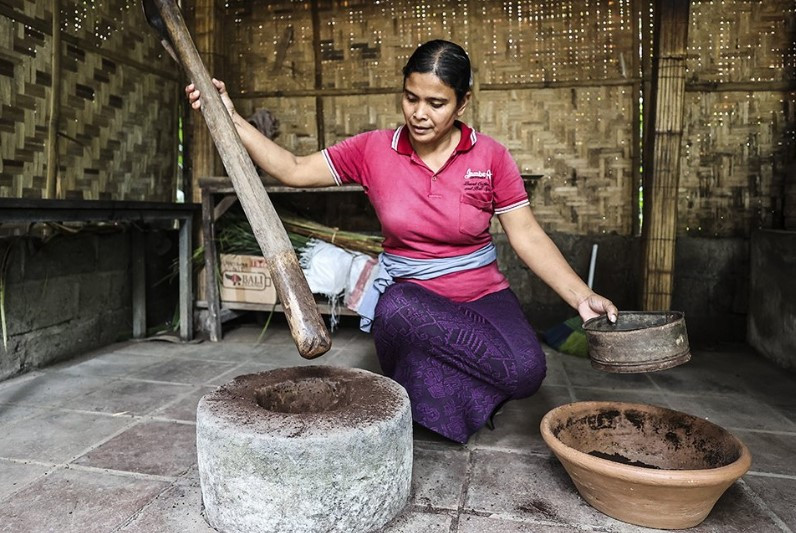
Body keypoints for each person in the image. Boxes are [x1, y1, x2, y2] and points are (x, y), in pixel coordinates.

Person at [186, 40, 618, 444]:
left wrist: (581, 296)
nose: (420, 113)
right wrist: (231, 117)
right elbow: (295, 168)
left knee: (527, 371)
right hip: (410, 305)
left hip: (481, 295)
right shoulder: (374, 149)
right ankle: (434, 389)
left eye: (436, 102)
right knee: (395, 304)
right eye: (411, 98)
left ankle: (433, 395)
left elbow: (526, 235)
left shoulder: (490, 157)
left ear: (463, 102)